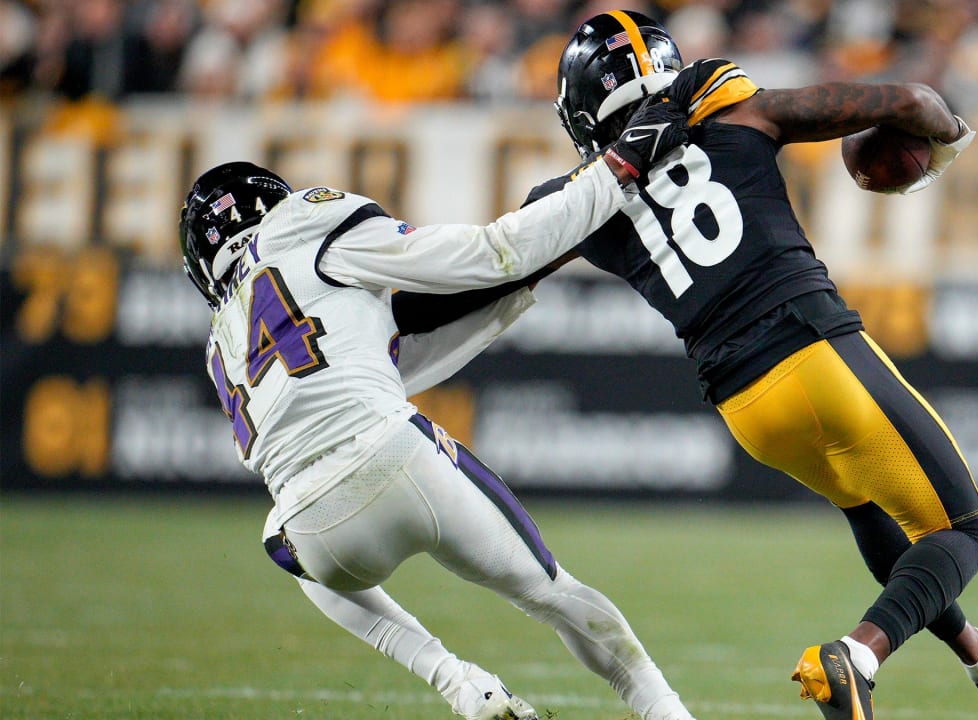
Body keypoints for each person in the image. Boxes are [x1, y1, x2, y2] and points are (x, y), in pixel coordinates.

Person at [523, 10, 978, 720]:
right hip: (814, 348)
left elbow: (498, 262)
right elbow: (913, 102)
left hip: (744, 406)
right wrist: (948, 140)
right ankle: (855, 657)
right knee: (961, 531)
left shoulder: (573, 204)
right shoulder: (729, 107)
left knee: (865, 500)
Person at [177, 96, 697, 720]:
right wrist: (611, 174)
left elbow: (380, 360)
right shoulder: (301, 222)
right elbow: (486, 255)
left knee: (276, 533)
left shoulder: (219, 345)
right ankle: (666, 712)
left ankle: (458, 682)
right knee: (553, 594)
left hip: (316, 532)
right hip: (395, 455)